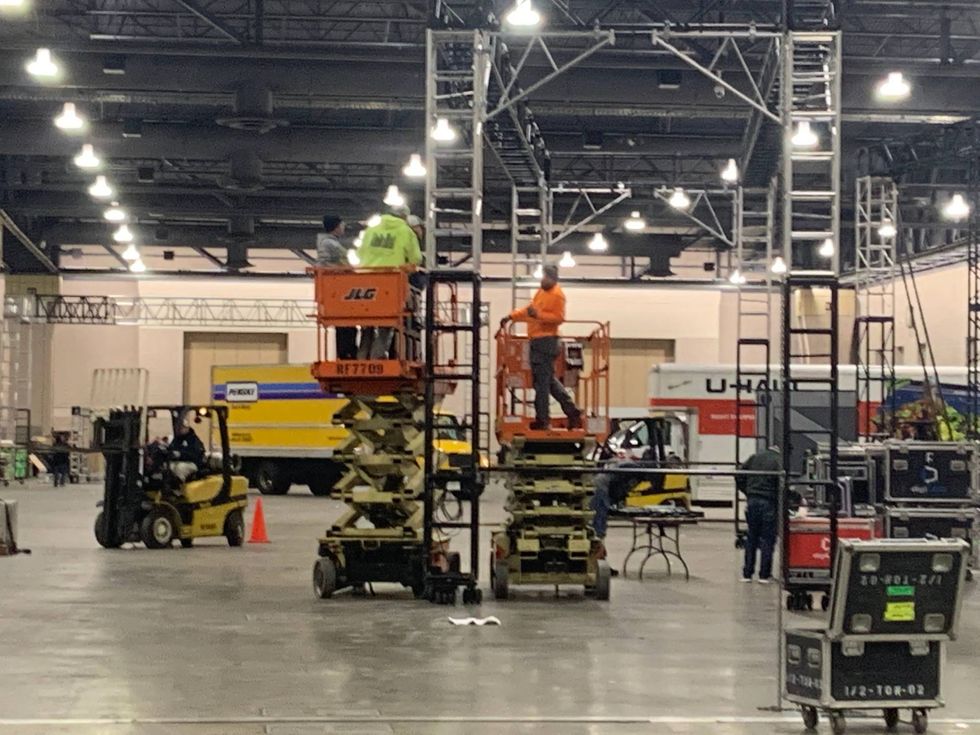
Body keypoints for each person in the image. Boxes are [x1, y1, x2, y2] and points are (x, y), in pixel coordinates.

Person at [500, 264, 581, 430]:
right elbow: (529, 310)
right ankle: (572, 411)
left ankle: (543, 420)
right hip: (538, 341)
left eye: (545, 277)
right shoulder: (541, 292)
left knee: (542, 384)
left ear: (552, 277)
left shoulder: (557, 295)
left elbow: (559, 318)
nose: (542, 280)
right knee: (548, 381)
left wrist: (539, 316)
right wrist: (510, 316)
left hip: (546, 341)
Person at [357, 204, 423, 360]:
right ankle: (377, 358)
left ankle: (361, 357)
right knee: (387, 322)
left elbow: (359, 254)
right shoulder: (405, 231)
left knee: (367, 323)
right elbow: (416, 259)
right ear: (404, 217)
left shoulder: (371, 230)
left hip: (365, 281)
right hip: (390, 282)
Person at [737, 445, 782, 583]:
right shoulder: (778, 461)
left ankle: (747, 573)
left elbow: (739, 475)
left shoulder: (754, 457)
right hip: (769, 503)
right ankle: (764, 575)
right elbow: (781, 484)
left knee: (752, 537)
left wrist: (747, 491)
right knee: (768, 539)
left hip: (752, 501)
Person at [316, 215, 357, 360]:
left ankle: (346, 353)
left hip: (333, 286)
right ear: (337, 226)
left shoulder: (327, 243)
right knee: (346, 325)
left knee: (344, 324)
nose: (344, 227)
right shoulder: (330, 244)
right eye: (342, 225)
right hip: (336, 286)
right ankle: (347, 353)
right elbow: (346, 260)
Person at [167, 413, 207, 482]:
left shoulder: (193, 439)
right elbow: (171, 448)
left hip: (192, 463)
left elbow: (195, 454)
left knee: (179, 468)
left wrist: (180, 454)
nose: (178, 429)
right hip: (180, 461)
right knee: (166, 467)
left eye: (181, 427)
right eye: (178, 427)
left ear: (187, 428)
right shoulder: (177, 439)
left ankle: (178, 486)